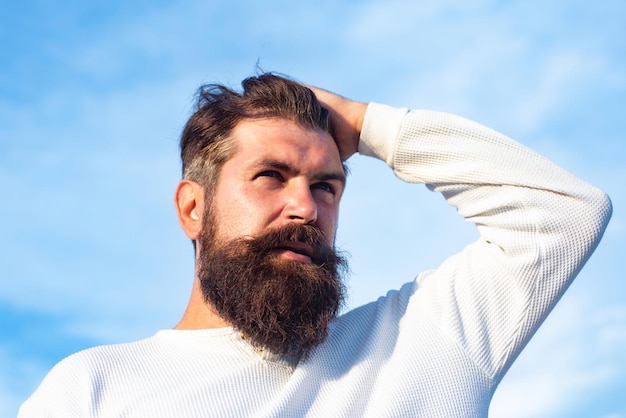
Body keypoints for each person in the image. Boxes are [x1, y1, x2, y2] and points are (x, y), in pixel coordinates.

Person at [19, 73, 611, 417]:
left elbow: (563, 214)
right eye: (271, 176)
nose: (306, 207)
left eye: (326, 185)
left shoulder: (422, 349)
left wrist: (368, 124)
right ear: (193, 208)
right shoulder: (93, 388)